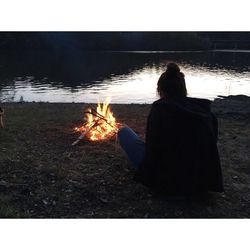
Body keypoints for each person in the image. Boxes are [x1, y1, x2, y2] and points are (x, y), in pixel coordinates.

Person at [118, 62, 223, 196]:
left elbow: (152, 149)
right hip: (202, 183)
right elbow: (211, 144)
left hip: (167, 184)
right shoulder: (205, 111)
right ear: (183, 89)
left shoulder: (160, 109)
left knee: (124, 132)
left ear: (161, 90)